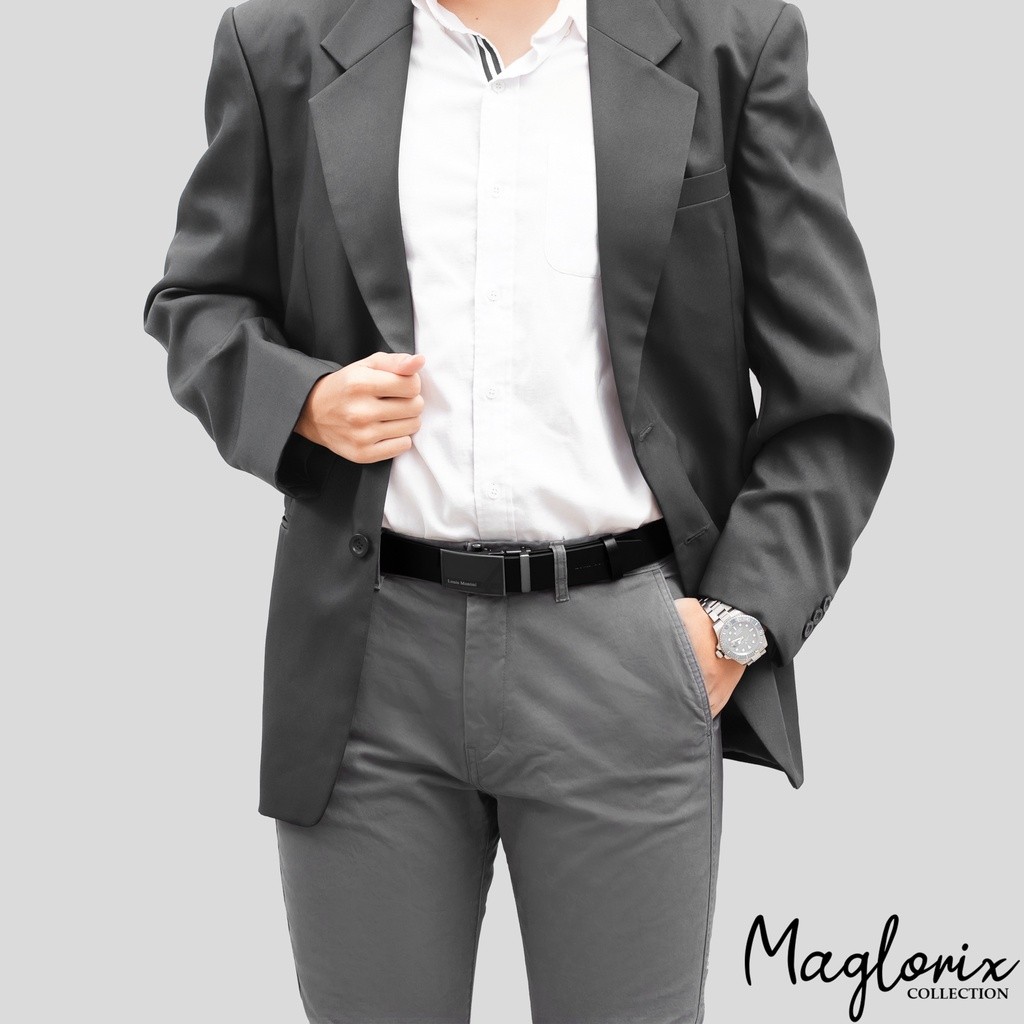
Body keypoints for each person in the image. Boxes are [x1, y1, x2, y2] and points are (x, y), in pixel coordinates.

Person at [143, 0, 894, 1020]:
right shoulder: (279, 40)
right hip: (365, 666)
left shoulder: (731, 40)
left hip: (624, 660)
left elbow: (833, 394)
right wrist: (302, 401)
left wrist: (730, 628)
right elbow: (198, 302)